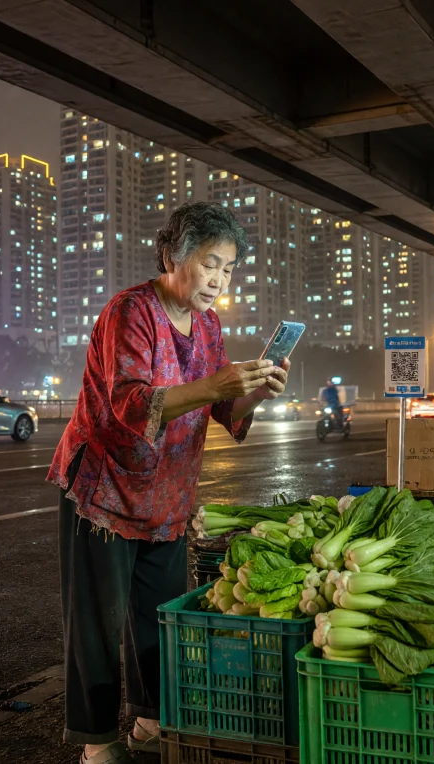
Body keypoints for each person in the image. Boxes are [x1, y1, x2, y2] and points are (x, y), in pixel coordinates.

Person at [48, 202, 290, 764]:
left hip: (167, 496)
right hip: (104, 490)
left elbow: (226, 410)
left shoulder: (208, 325)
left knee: (158, 616)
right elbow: (130, 403)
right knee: (98, 624)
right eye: (211, 263)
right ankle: (97, 740)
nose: (219, 280)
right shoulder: (130, 312)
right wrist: (213, 385)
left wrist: (255, 389)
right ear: (174, 255)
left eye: (229, 269)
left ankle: (150, 719)